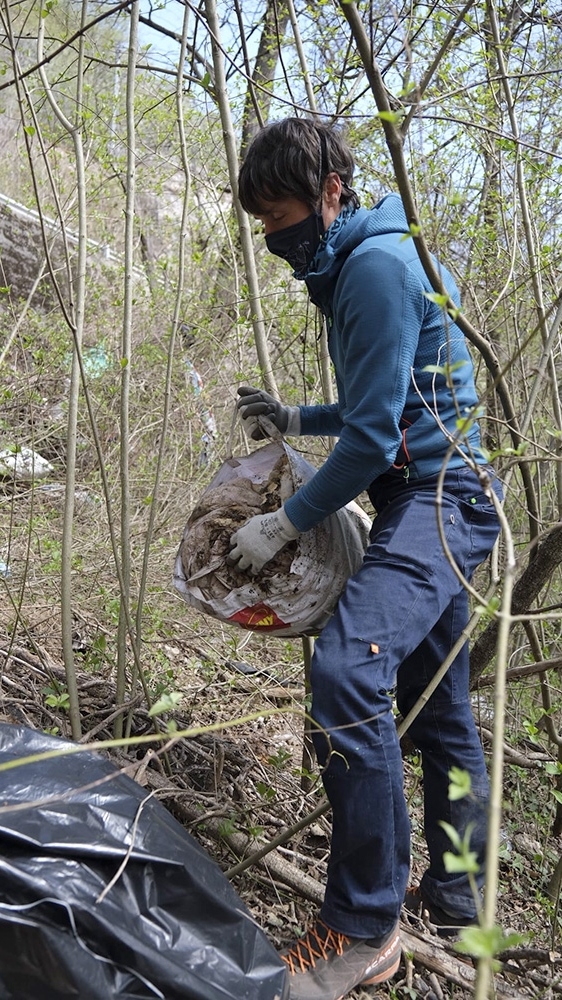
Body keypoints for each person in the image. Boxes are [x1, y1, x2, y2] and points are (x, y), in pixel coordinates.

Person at [228, 117, 502, 1000]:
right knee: (442, 713)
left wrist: (284, 524)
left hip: (438, 499)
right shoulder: (370, 256)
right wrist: (295, 415)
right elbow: (385, 398)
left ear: (330, 194)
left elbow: (377, 435)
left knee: (348, 672)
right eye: (263, 220)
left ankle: (360, 925)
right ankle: (461, 897)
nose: (274, 237)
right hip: (433, 493)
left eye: (279, 214)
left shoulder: (376, 268)